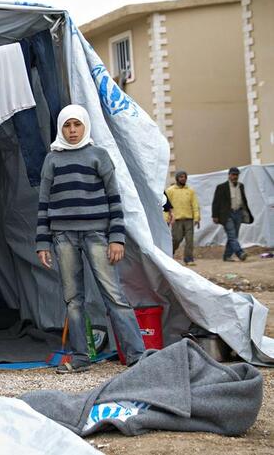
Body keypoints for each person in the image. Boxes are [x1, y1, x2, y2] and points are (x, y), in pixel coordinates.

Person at [35, 104, 145, 374]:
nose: (72, 130)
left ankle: (137, 356)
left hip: (97, 234)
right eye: (67, 125)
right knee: (73, 299)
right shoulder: (52, 159)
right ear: (60, 128)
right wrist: (42, 242)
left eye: (77, 125)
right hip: (63, 237)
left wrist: (117, 238)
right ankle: (80, 357)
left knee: (114, 295)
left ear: (85, 126)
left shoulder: (99, 155)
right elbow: (44, 203)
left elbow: (114, 198)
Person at [212, 167, 254, 262]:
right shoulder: (221, 187)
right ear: (229, 175)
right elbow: (216, 202)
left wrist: (245, 212)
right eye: (233, 174)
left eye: (237, 175)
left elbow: (244, 200)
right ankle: (240, 253)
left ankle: (227, 256)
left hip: (238, 213)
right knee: (232, 235)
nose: (235, 177)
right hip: (227, 214)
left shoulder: (241, 186)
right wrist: (215, 215)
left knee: (234, 236)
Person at [165, 170, 200, 265]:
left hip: (189, 219)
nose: (183, 179)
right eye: (181, 177)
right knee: (176, 239)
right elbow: (166, 206)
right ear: (177, 178)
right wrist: (166, 218)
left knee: (189, 240)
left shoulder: (190, 191)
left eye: (185, 177)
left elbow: (195, 204)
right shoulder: (170, 190)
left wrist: (196, 217)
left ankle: (189, 259)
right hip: (176, 220)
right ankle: (169, 253)